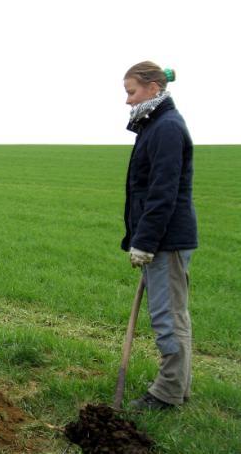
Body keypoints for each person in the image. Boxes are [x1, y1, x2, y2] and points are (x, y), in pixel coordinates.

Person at [121, 61, 198, 410]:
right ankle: (177, 387)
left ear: (154, 88)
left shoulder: (166, 127)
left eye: (131, 92)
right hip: (162, 238)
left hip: (167, 240)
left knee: (168, 319)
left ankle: (167, 394)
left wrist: (146, 242)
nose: (127, 101)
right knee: (172, 316)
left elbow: (162, 192)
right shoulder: (154, 125)